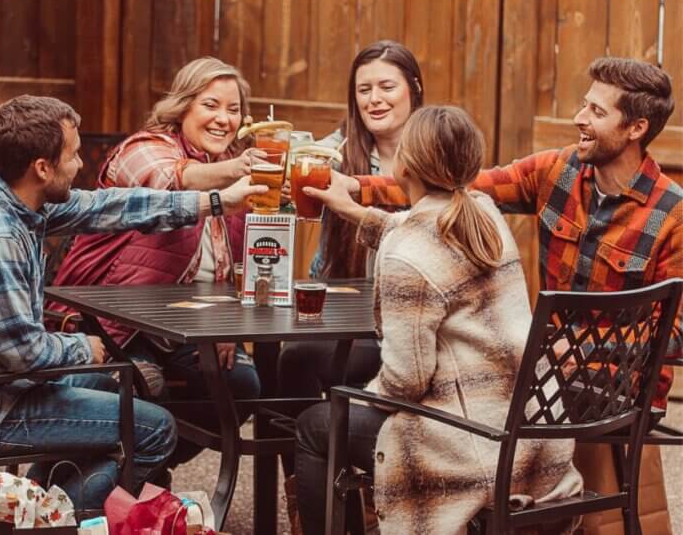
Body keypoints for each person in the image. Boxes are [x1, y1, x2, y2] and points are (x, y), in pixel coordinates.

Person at [0, 95, 265, 509]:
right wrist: (86, 347)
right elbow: (22, 353)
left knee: (114, 389)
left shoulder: (0, 190)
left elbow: (106, 206)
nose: (81, 165)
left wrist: (218, 202)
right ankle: (54, 520)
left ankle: (39, 504)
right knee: (154, 430)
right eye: (74, 155)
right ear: (42, 168)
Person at [293, 106, 582, 534]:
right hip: (532, 440)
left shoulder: (407, 254)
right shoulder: (483, 211)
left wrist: (359, 396)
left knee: (316, 424)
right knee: (346, 403)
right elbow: (414, 229)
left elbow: (405, 383)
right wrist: (355, 212)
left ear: (403, 164)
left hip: (471, 448)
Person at [337, 57, 683, 408]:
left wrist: (581, 348)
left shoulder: (674, 214)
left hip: (618, 390)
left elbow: (676, 334)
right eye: (584, 105)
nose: (580, 118)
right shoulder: (558, 171)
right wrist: (354, 187)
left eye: (596, 111)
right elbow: (452, 183)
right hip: (544, 376)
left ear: (636, 128)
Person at [49, 57, 263, 465]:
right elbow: (172, 178)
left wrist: (228, 328)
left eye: (233, 110)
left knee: (243, 384)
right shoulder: (143, 148)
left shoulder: (236, 171)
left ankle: (147, 470)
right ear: (183, 106)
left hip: (181, 328)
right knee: (147, 389)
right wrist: (232, 171)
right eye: (210, 105)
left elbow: (230, 267)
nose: (224, 119)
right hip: (110, 323)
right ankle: (121, 477)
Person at [277, 41, 422, 406]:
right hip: (346, 305)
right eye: (364, 89)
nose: (374, 99)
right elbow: (303, 162)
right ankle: (307, 459)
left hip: (414, 315)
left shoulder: (435, 147)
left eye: (387, 87)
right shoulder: (339, 149)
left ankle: (336, 446)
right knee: (292, 357)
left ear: (414, 89)